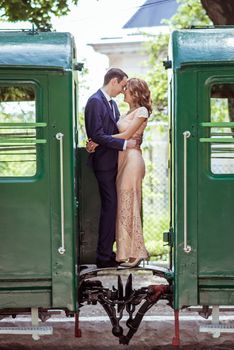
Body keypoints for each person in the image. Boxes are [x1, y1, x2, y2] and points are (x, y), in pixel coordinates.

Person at [88, 78, 152, 268]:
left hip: (132, 160)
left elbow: (125, 136)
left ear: (135, 92)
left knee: (129, 203)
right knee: (124, 205)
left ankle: (137, 252)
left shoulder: (142, 111)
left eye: (127, 89)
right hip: (122, 160)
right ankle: (125, 252)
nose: (124, 91)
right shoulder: (126, 111)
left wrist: (98, 141)